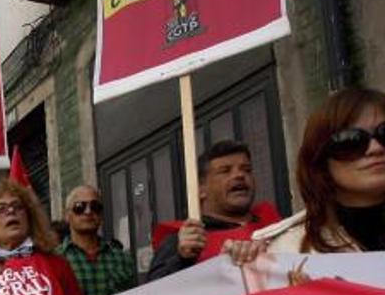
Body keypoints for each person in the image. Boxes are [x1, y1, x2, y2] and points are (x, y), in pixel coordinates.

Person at [253, 87, 385, 252]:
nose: (376, 148)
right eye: (350, 141)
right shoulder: (288, 251)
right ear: (321, 159)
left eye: (384, 133)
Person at [147, 140, 281, 280]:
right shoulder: (184, 241)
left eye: (246, 169)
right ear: (200, 189)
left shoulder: (278, 228)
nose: (240, 175)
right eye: (225, 171)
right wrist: (182, 259)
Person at [56, 185, 136, 295]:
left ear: (101, 214)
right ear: (67, 215)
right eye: (80, 207)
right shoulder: (54, 260)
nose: (88, 211)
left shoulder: (123, 258)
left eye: (95, 206)